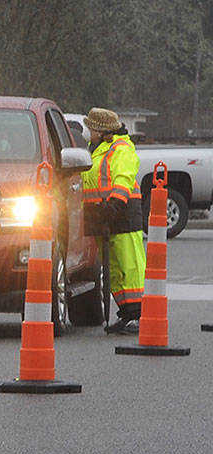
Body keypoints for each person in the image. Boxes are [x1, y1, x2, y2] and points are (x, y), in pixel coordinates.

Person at [81, 107, 145, 334]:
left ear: (100, 130)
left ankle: (137, 315)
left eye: (90, 127)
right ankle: (127, 313)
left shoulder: (121, 148)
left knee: (130, 266)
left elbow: (123, 178)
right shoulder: (96, 149)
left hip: (122, 213)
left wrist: (115, 204)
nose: (87, 131)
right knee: (115, 269)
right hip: (102, 215)